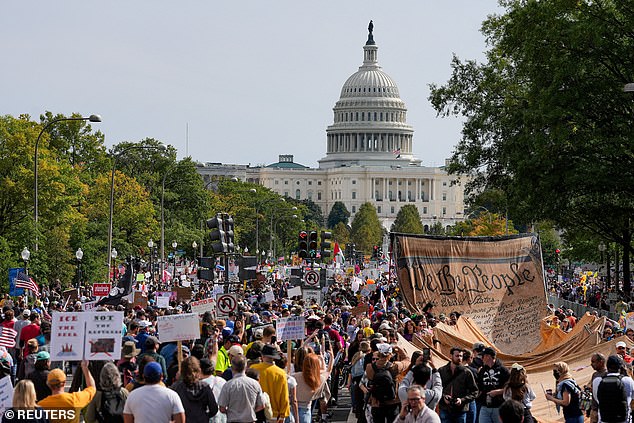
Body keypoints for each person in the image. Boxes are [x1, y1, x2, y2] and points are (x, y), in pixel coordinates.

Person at [365, 343, 409, 423]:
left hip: (377, 402)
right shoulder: (396, 367)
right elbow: (407, 360)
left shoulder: (369, 367)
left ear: (379, 353)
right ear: (390, 355)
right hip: (393, 401)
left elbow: (370, 379)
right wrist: (400, 350)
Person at [217, 355, 265, 423]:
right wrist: (250, 411)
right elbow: (262, 405)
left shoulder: (228, 385)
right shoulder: (255, 384)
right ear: (245, 367)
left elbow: (222, 408)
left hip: (233, 420)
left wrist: (231, 413)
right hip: (250, 420)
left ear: (232, 367)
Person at [171, 356, 218, 423]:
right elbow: (214, 409)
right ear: (198, 370)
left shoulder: (176, 387)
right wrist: (204, 416)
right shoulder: (205, 387)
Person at [250, 344, 290, 422]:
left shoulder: (253, 369)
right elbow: (284, 396)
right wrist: (283, 415)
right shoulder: (281, 373)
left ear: (262, 355)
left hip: (256, 413)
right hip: (275, 415)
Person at [437, 347, 478, 423]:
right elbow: (436, 388)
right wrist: (444, 397)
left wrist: (462, 400)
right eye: (457, 356)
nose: (459, 358)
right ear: (451, 356)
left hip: (460, 410)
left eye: (461, 356)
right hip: (445, 408)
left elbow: (474, 392)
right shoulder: (442, 371)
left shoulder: (466, 372)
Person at [592, 354, 634, 423]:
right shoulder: (628, 381)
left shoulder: (597, 381)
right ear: (620, 367)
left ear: (607, 367)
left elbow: (597, 399)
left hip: (604, 420)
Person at [293, 353, 333, 423]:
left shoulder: (294, 377)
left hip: (292, 410)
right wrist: (331, 357)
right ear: (317, 365)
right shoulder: (320, 379)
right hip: (305, 411)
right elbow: (328, 371)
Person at [476, 348, 510, 423]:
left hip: (499, 406)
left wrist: (498, 392)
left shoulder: (503, 370)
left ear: (488, 356)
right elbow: (479, 386)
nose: (481, 359)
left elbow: (511, 388)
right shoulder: (482, 370)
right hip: (485, 406)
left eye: (483, 356)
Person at [586, 353, 607, 423]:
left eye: (593, 362)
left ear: (601, 362)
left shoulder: (607, 374)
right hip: (594, 409)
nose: (591, 364)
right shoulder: (595, 375)